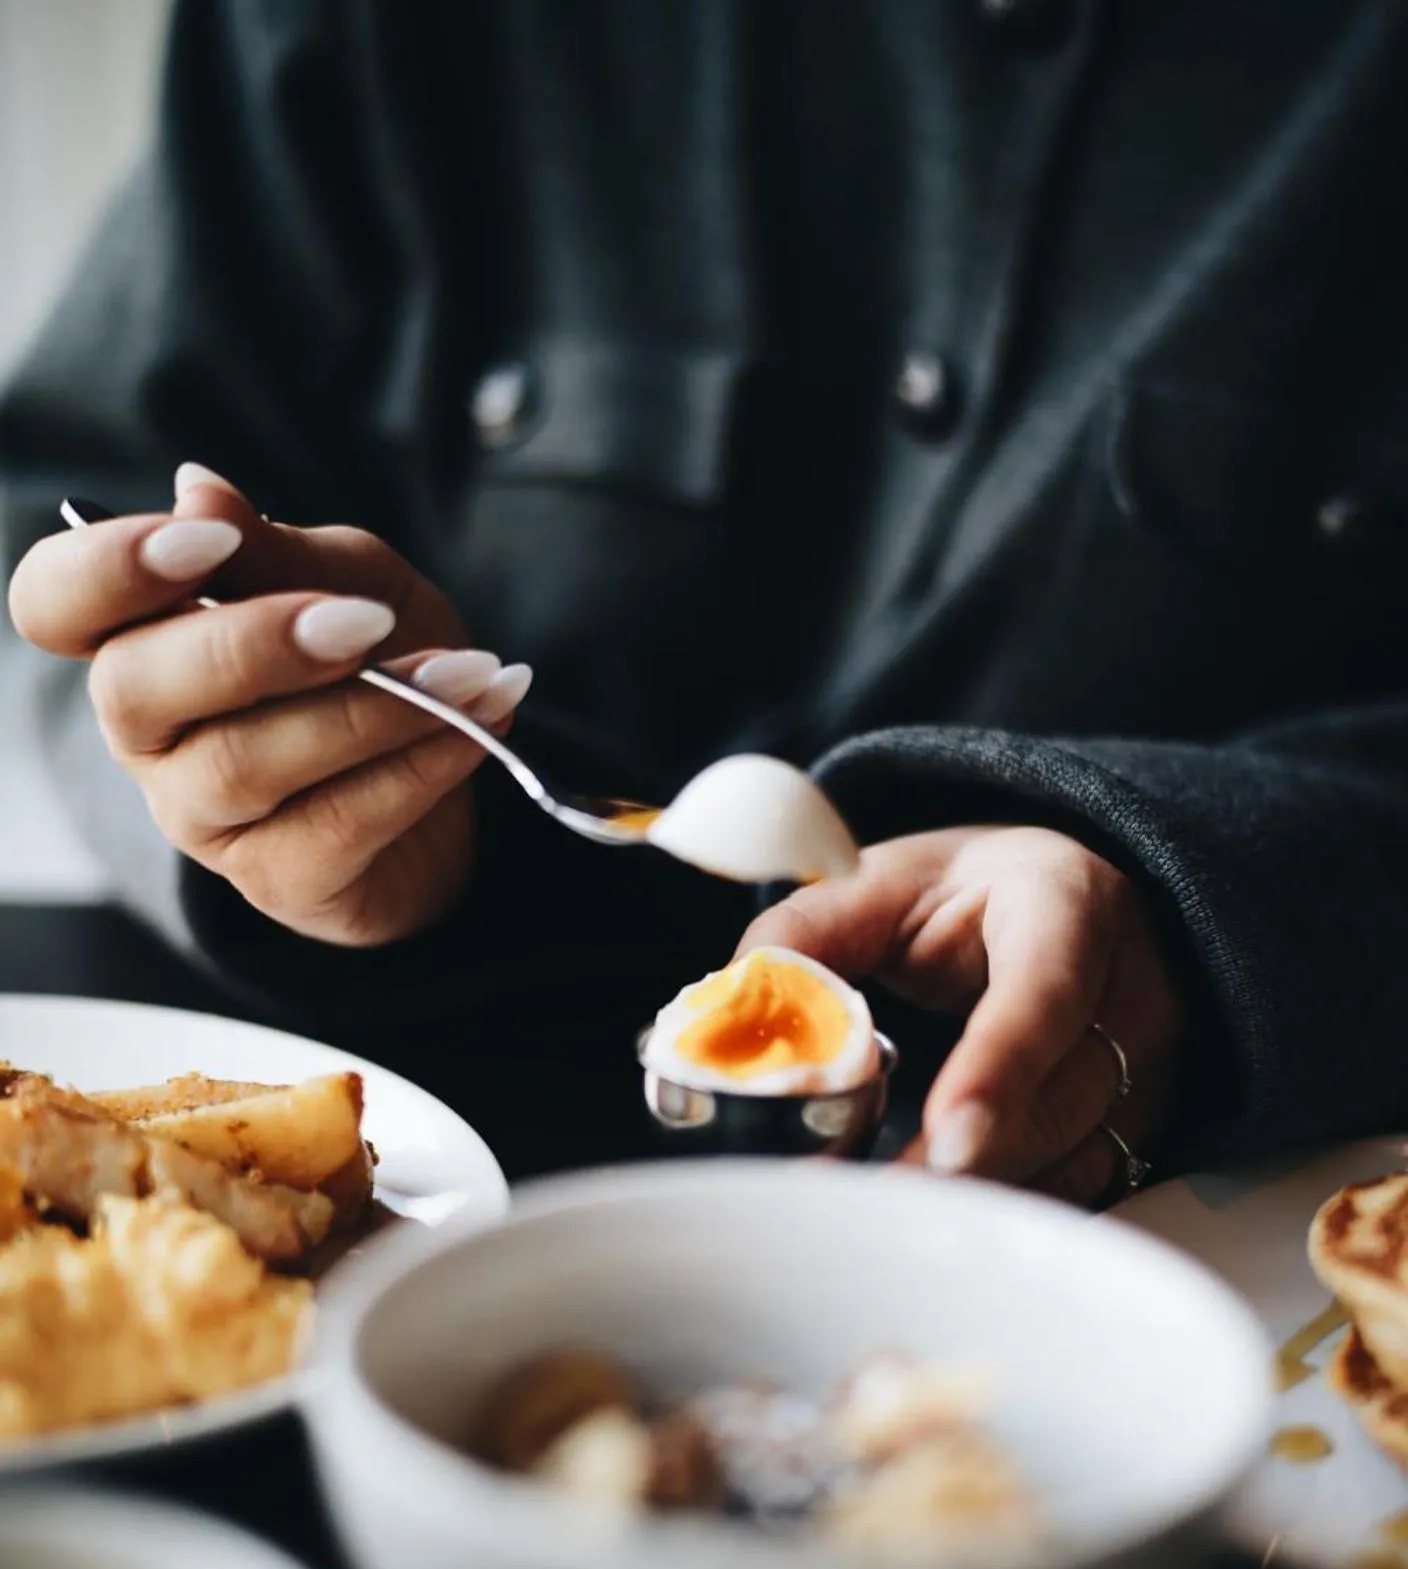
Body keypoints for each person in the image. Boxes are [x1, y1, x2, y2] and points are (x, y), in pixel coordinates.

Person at [4, 0, 1407, 1204]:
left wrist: (1211, 901)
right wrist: (249, 780)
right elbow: (71, 484)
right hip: (419, 1213)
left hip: (1186, 1236)